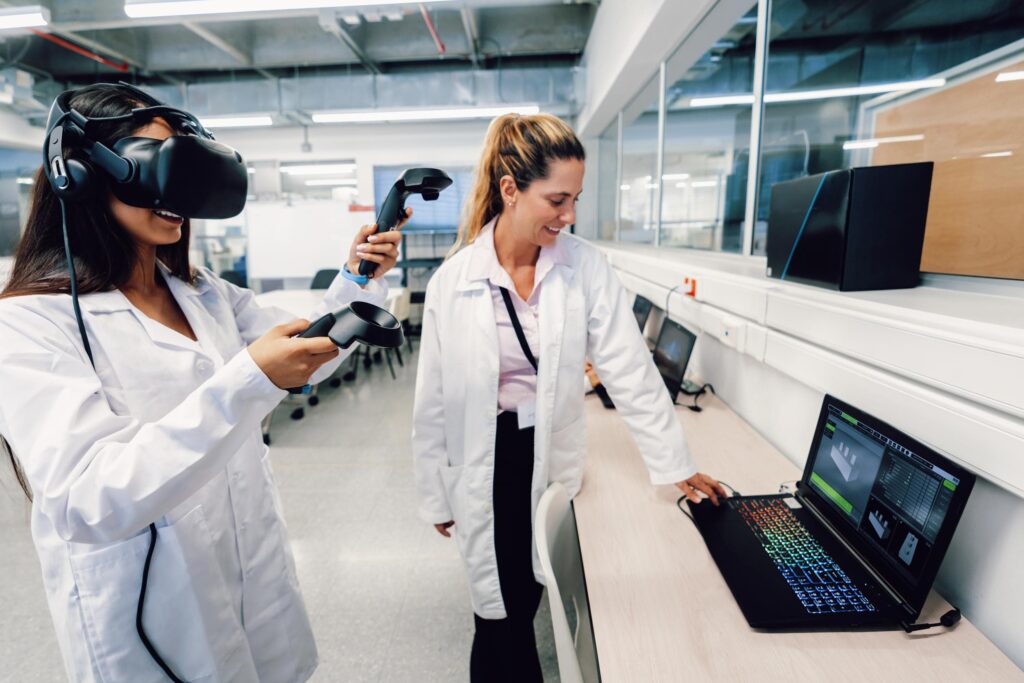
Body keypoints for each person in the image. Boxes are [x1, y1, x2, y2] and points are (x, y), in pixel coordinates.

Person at [0, 83, 406, 682]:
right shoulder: (30, 322)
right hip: (151, 626)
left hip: (253, 587)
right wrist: (248, 382)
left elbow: (301, 350)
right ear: (81, 176)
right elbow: (88, 498)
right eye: (157, 168)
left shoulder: (200, 291)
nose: (176, 198)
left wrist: (355, 281)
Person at [411, 113, 727, 681]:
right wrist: (436, 491)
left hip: (550, 450)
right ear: (510, 190)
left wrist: (676, 464)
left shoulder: (584, 267)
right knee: (499, 612)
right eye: (557, 200)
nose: (570, 216)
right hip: (487, 457)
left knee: (522, 598)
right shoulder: (452, 281)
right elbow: (433, 396)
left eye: (575, 199)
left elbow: (629, 368)